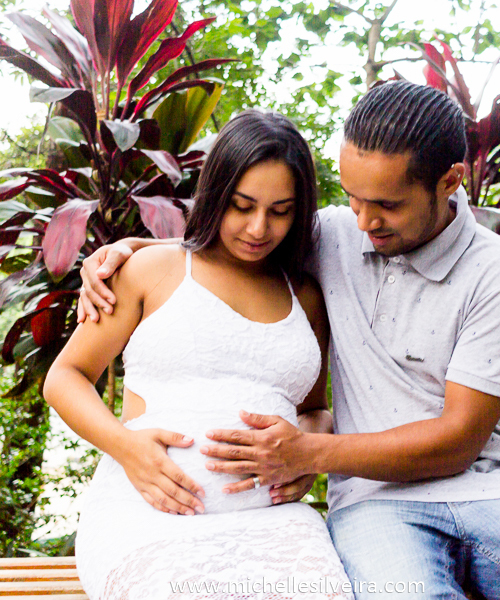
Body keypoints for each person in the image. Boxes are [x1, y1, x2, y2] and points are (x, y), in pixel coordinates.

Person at [78, 81, 500, 599]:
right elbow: (224, 249)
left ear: (450, 180)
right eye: (352, 199)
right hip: (379, 505)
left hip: (499, 491)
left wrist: (306, 453)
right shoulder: (328, 235)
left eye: (386, 205)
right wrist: (122, 253)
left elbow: (457, 441)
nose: (363, 223)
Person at [44, 110, 354, 599]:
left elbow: (314, 411)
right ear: (215, 193)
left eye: (280, 211)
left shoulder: (306, 295)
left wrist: (304, 457)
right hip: (150, 518)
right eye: (242, 205)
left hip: (274, 526)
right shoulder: (153, 269)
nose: (258, 228)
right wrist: (127, 449)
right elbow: (65, 377)